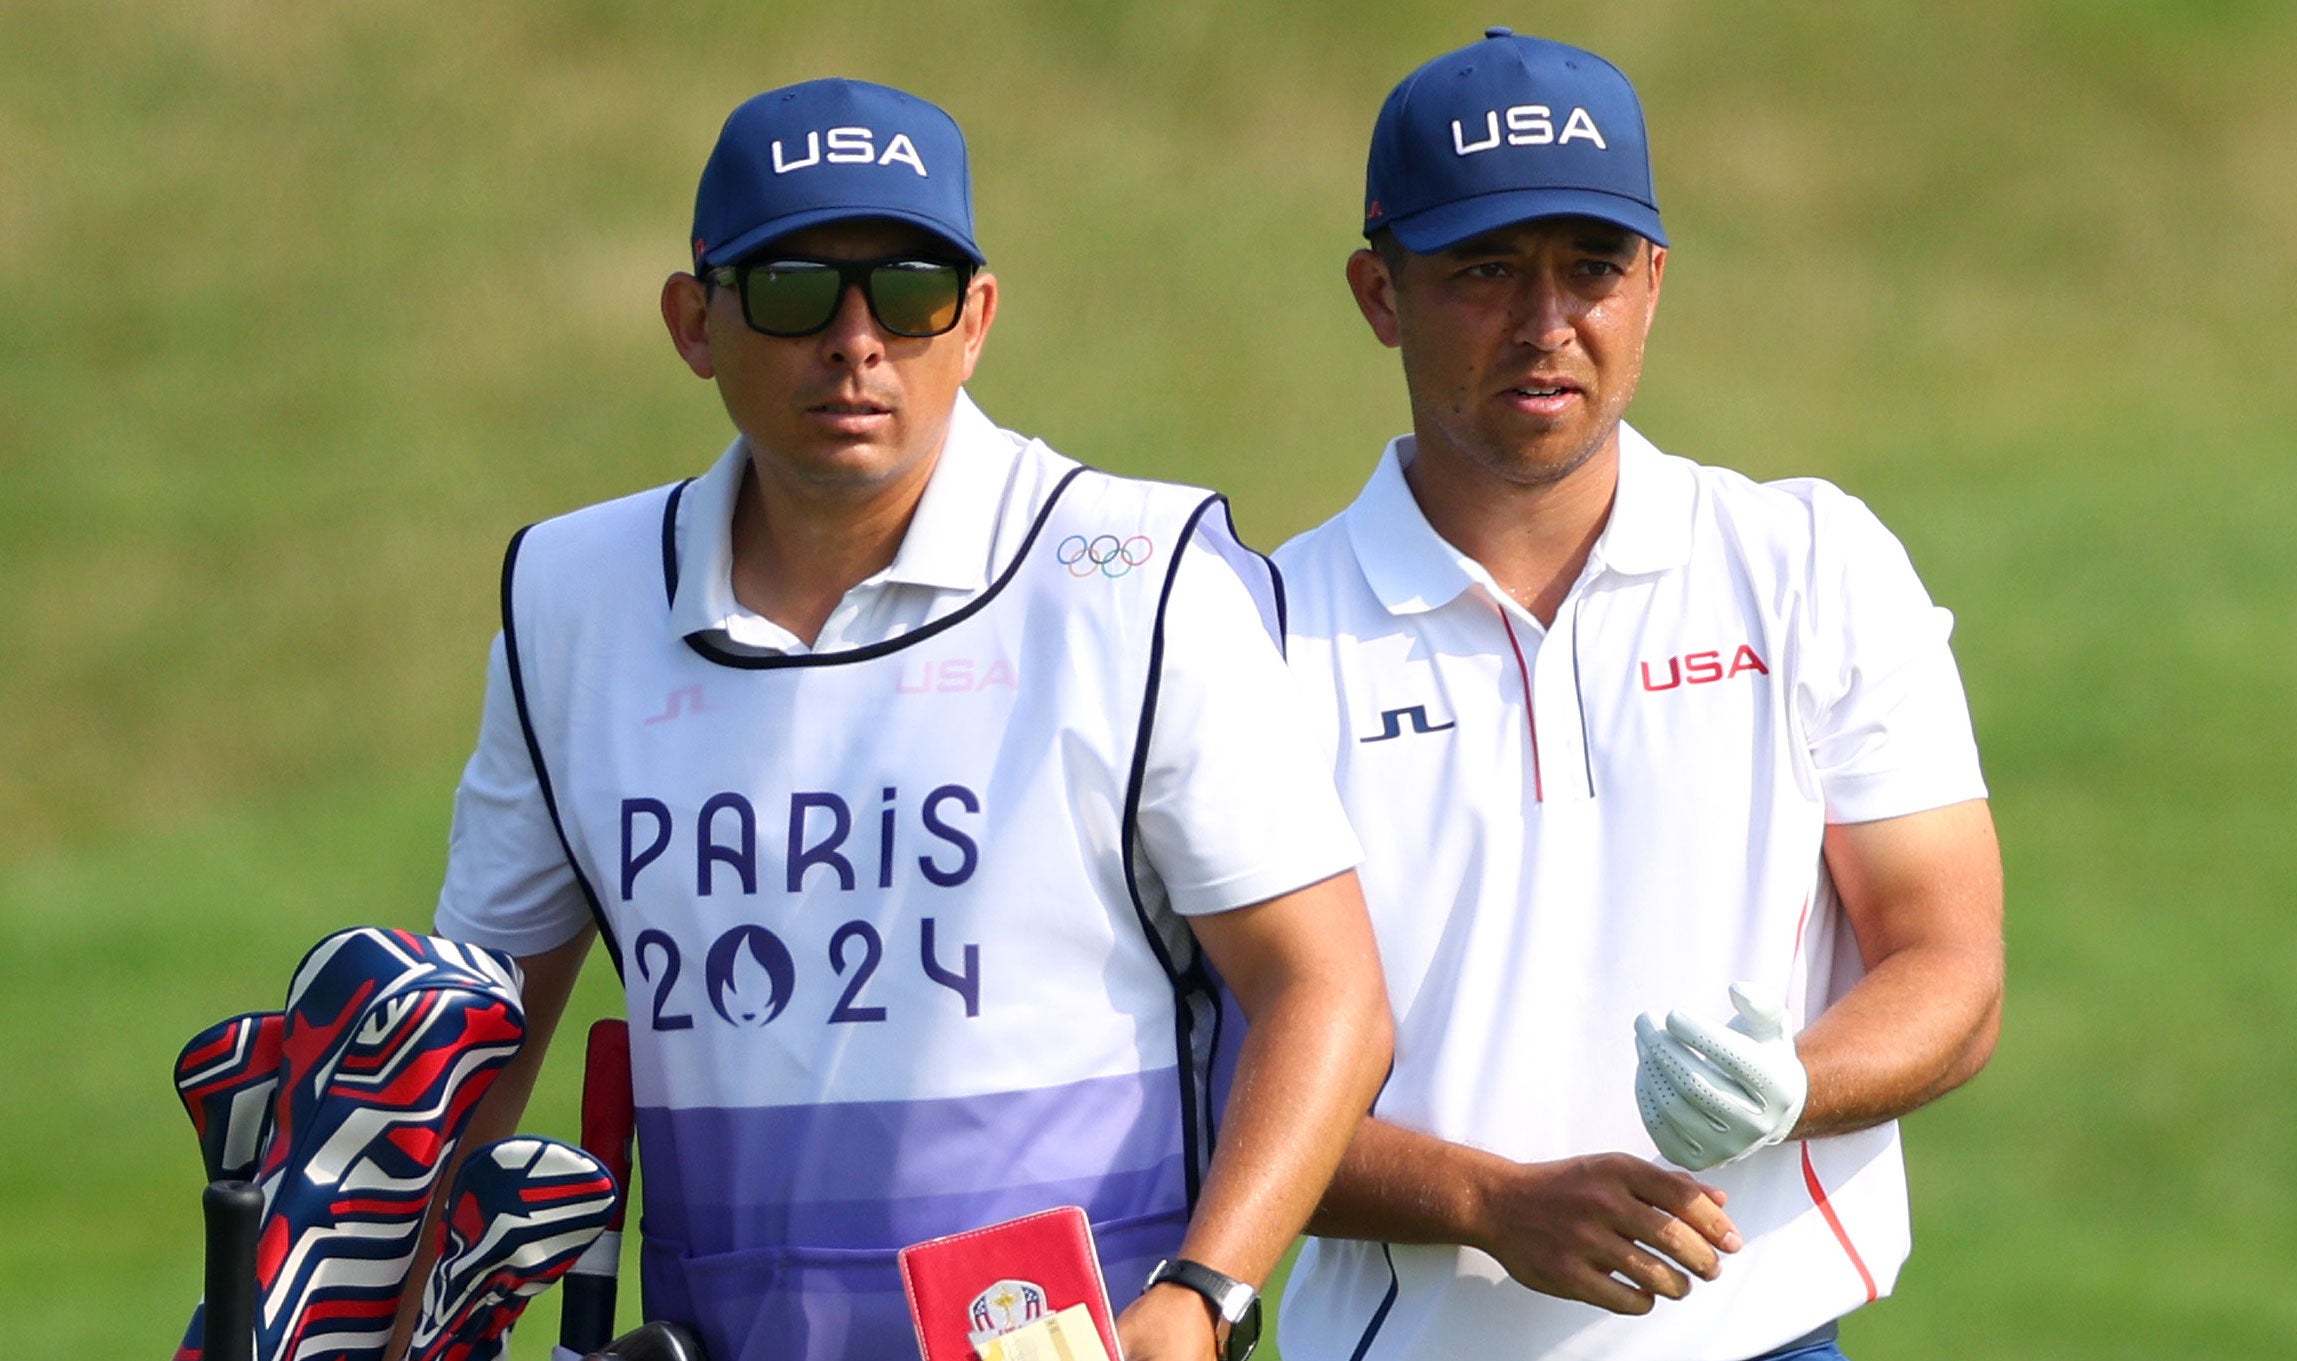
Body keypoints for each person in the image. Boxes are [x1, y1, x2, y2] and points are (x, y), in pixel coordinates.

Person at [417, 77, 1392, 1361]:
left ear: (976, 317)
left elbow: (1325, 991)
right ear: (692, 321)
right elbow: (466, 1035)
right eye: (792, 289)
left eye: (912, 289)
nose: (856, 339)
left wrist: (1203, 1295)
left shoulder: (1137, 573)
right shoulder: (570, 599)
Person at [1273, 29, 2004, 1361]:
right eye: (1485, 270)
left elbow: (1950, 964)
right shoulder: (1255, 636)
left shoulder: (1807, 564)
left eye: (1592, 267)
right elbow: (1211, 1099)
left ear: (1653, 283)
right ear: (1381, 294)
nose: (1548, 323)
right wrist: (1483, 1204)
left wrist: (1792, 1085)